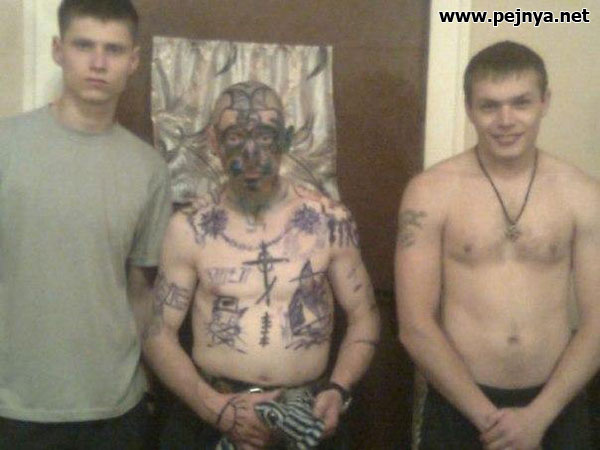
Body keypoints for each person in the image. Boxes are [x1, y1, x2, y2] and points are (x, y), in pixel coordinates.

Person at [142, 80, 380, 449]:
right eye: (236, 136)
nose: (251, 152)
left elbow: (364, 315)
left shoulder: (328, 220)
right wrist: (216, 409)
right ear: (214, 141)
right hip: (212, 411)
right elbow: (158, 333)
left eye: (266, 136)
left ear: (286, 139)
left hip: (306, 413)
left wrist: (339, 390)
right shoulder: (190, 228)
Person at [395, 41, 598, 450]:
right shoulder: (430, 192)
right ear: (469, 109)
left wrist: (538, 417)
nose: (506, 120)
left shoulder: (582, 193)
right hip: (459, 405)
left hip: (556, 404)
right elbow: (415, 326)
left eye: (521, 103)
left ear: (544, 102)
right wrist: (491, 421)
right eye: (489, 106)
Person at [0, 1, 171, 449]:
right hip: (15, 407)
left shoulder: (148, 169)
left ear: (133, 60)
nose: (98, 62)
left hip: (115, 410)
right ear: (58, 50)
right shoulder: (7, 146)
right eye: (84, 45)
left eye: (113, 49)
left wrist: (148, 382)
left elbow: (140, 290)